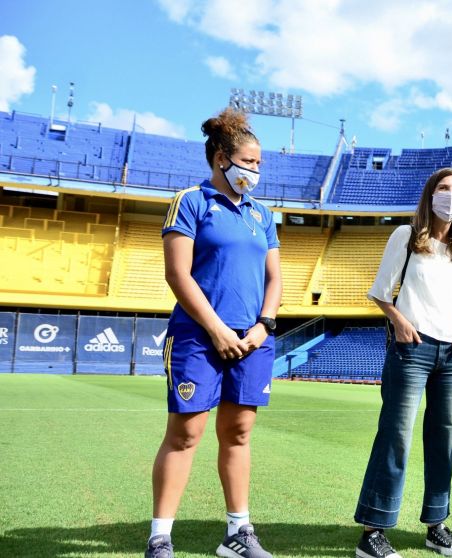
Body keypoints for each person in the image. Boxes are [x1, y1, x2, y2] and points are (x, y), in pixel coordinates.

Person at [146, 108, 282, 558]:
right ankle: (160, 537)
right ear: (222, 158)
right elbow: (177, 274)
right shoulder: (191, 201)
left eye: (260, 164)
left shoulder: (262, 215)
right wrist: (217, 328)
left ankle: (237, 534)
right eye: (250, 161)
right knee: (185, 434)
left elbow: (274, 279)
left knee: (239, 432)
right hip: (198, 338)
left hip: (253, 341)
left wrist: (264, 325)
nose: (256, 171)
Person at [355, 167, 452, 558]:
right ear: (430, 195)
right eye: (443, 188)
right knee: (397, 435)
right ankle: (373, 530)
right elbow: (380, 291)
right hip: (412, 349)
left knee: (444, 439)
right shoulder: (406, 237)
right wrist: (400, 321)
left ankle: (436, 526)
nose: (451, 195)